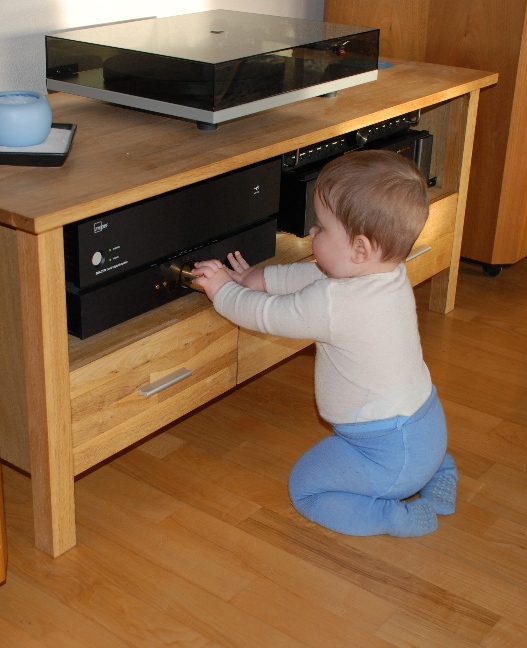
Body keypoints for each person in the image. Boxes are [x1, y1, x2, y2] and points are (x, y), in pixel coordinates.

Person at [190, 149, 456, 537]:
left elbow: (267, 315)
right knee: (418, 458)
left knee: (307, 489)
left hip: (382, 452)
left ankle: (391, 516)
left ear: (360, 249)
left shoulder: (336, 304)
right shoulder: (388, 274)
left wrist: (223, 290)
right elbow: (317, 280)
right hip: (428, 429)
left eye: (321, 227)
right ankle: (440, 472)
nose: (312, 233)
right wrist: (257, 279)